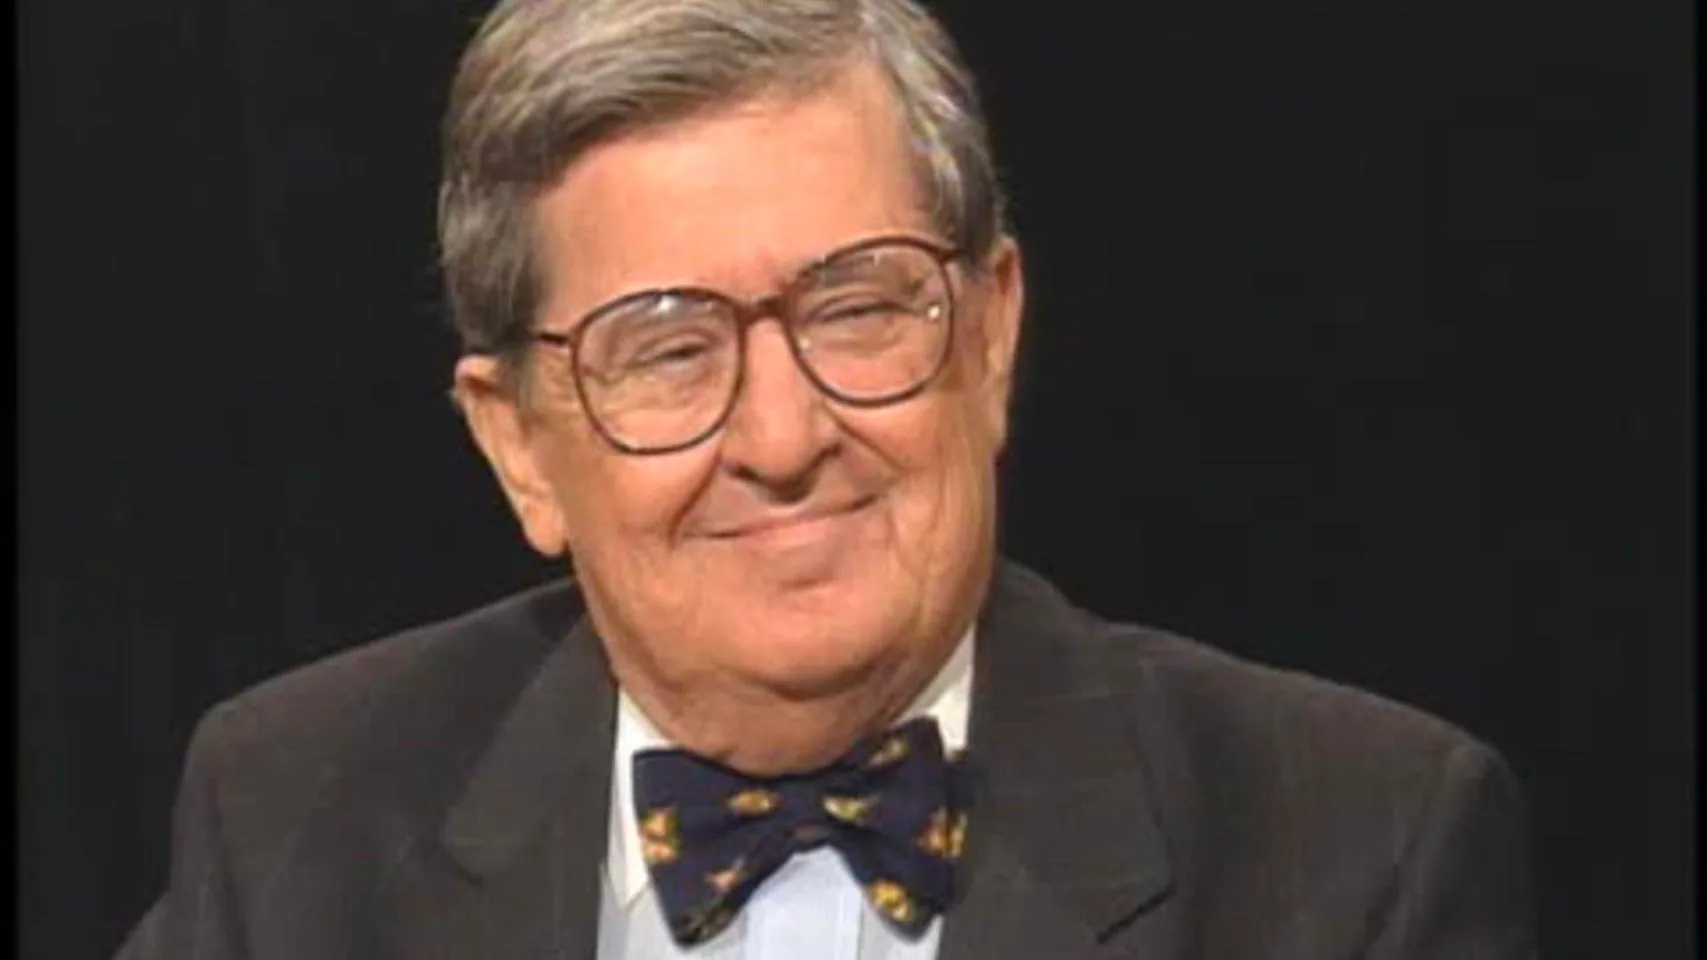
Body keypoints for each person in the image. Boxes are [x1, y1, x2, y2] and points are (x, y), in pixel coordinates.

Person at [116, 0, 1539, 957]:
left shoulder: (1360, 849)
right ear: (519, 445)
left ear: (987, 338)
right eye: (666, 351)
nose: (784, 437)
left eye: (857, 307)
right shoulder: (289, 814)